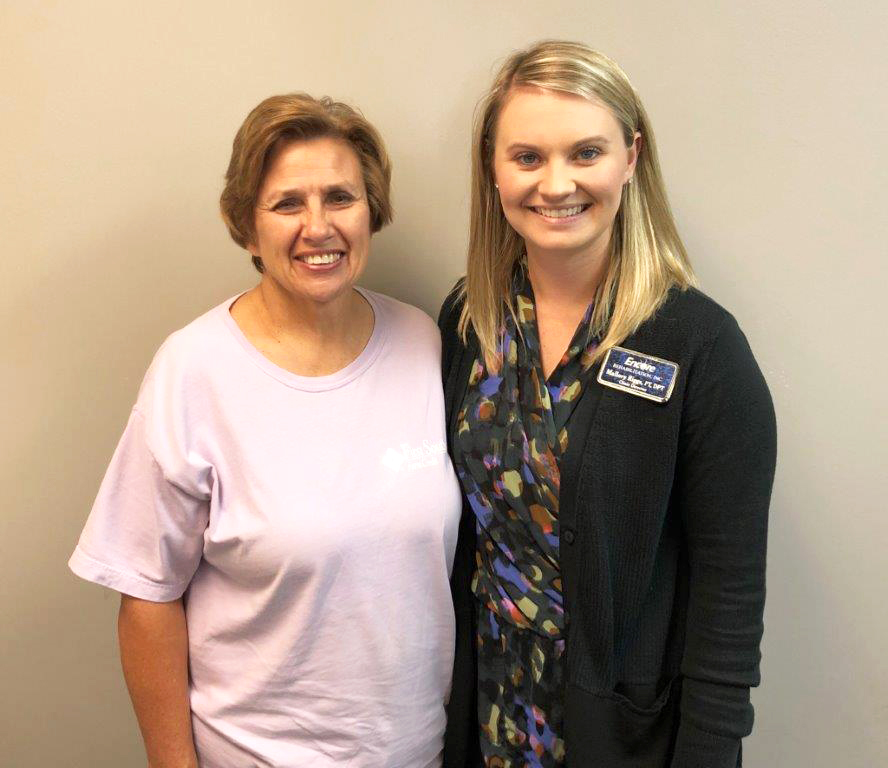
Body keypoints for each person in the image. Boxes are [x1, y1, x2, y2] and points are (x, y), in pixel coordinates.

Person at [69, 93, 462, 768]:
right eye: (287, 204)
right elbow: (146, 596)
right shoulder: (194, 370)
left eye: (341, 196)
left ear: (372, 211)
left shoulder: (421, 340)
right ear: (247, 227)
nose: (319, 226)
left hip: (419, 753)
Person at [439, 41, 777, 768]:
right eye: (526, 157)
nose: (555, 183)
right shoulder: (472, 319)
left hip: (622, 734)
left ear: (631, 155)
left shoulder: (697, 346)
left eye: (584, 152)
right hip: (488, 707)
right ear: (492, 169)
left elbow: (729, 588)